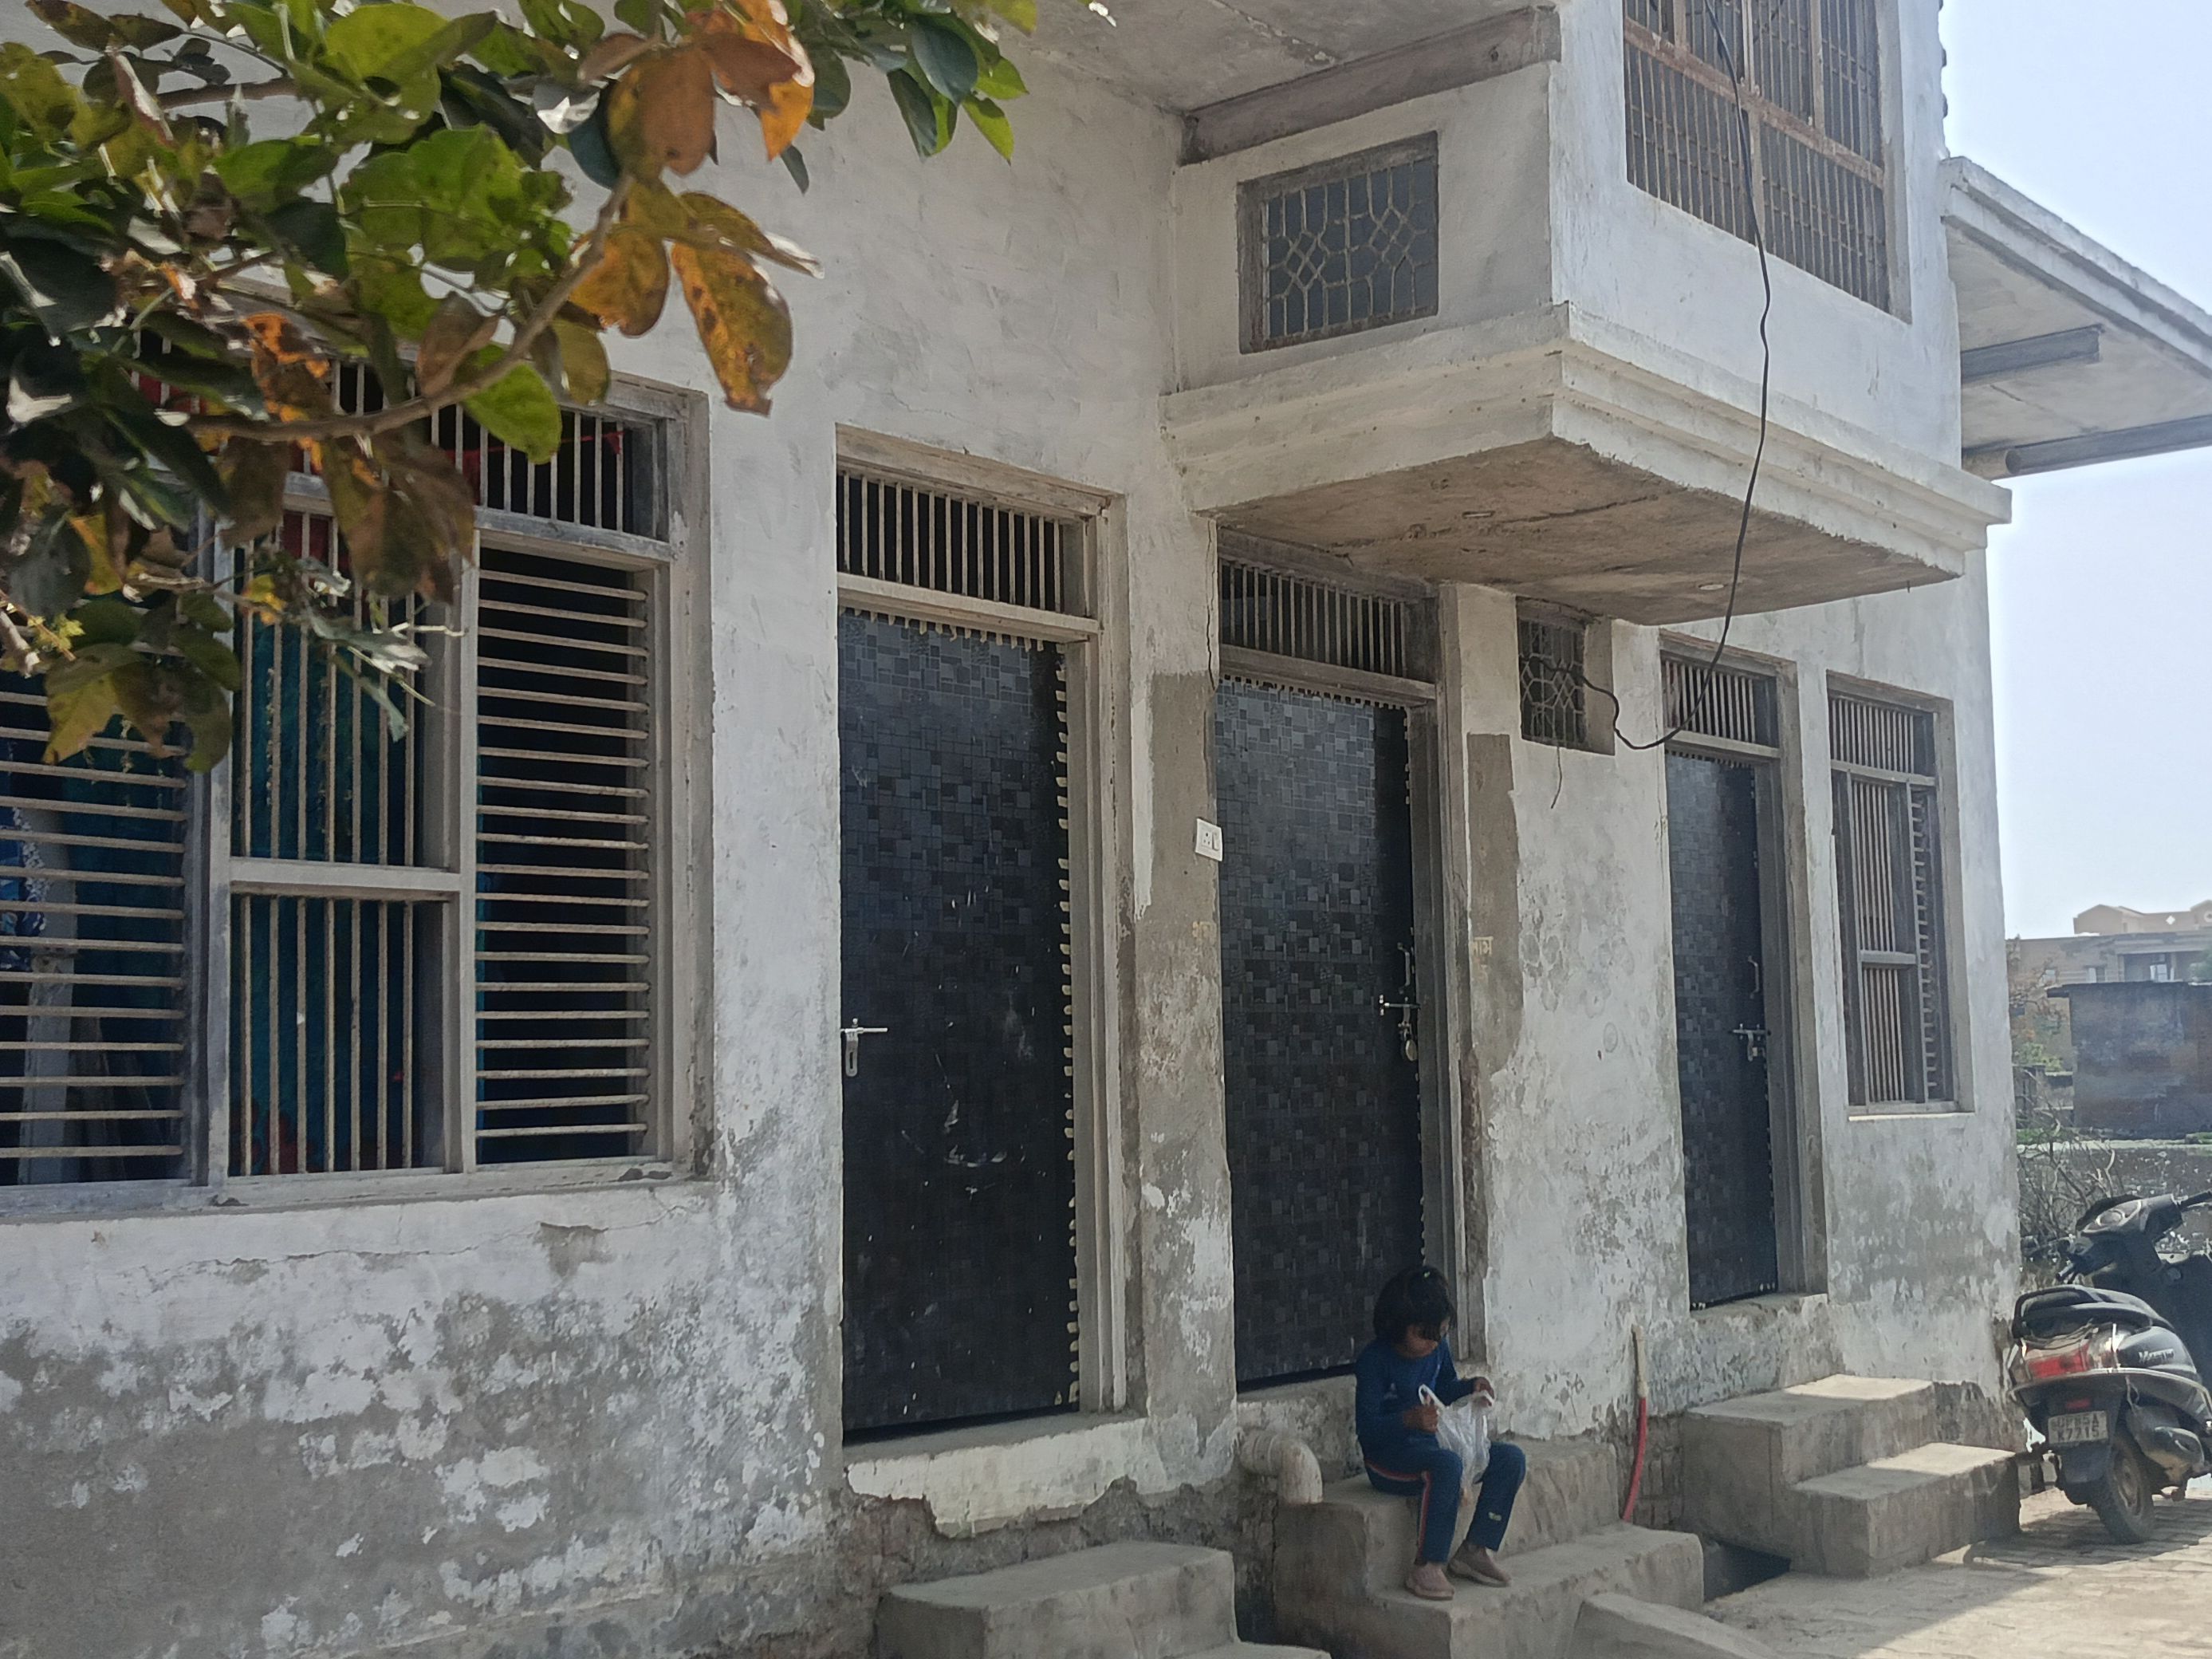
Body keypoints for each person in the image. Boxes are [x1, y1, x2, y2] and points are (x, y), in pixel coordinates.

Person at [1354, 1264, 1527, 1602]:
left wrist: (1471, 1388)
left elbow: (1444, 1389)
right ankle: (1427, 1566)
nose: (1433, 1342)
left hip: (1432, 1443)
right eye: (1424, 1334)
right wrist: (1407, 1420)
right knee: (1447, 1466)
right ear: (1397, 1327)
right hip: (1388, 1459)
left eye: (1440, 1333)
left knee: (1510, 1459)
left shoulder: (1437, 1349)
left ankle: (1476, 1549)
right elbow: (1368, 1431)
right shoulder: (1375, 1362)